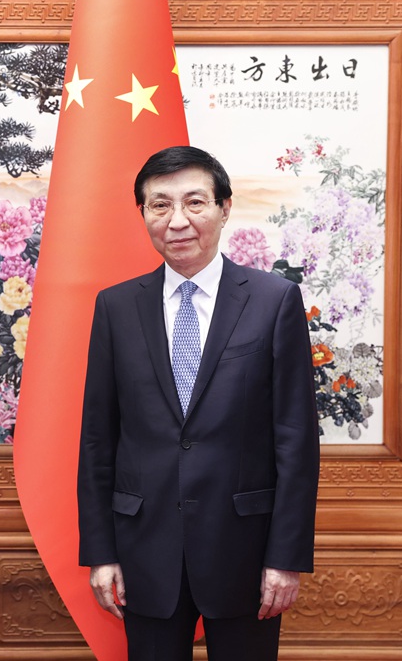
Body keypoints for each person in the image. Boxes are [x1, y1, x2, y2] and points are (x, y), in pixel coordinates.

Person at [77, 145, 319, 660]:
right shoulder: (116, 306)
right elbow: (98, 439)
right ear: (143, 213)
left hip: (246, 551)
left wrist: (285, 557)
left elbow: (296, 440)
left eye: (194, 202)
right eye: (160, 205)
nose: (177, 220)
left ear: (224, 208)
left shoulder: (273, 301)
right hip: (144, 551)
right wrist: (101, 553)